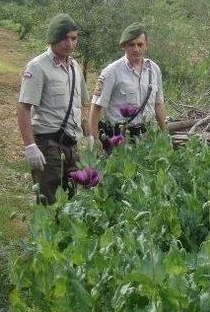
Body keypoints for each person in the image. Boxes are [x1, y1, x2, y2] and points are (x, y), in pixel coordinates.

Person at [17, 13, 90, 205]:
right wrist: (30, 146)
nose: (69, 43)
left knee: (72, 203)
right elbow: (23, 108)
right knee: (49, 204)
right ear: (53, 37)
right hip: (48, 145)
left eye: (73, 38)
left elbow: (80, 105)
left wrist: (88, 135)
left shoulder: (75, 67)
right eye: (64, 38)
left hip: (71, 145)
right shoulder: (38, 67)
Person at [89, 23, 166, 149]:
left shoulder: (154, 69)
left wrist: (164, 133)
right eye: (131, 45)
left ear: (146, 45)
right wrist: (95, 138)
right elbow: (96, 107)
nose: (136, 49)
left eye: (140, 44)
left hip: (147, 138)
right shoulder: (111, 72)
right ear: (123, 46)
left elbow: (158, 103)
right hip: (119, 139)